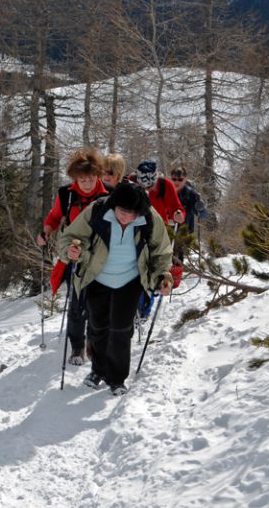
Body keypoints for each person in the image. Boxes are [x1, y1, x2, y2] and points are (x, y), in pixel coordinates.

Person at [57, 181, 174, 396]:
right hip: (97, 277)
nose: (125, 217)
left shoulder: (149, 217)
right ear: (114, 205)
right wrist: (71, 251)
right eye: (121, 211)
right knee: (97, 327)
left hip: (129, 281)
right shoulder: (98, 211)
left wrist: (162, 276)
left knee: (121, 330)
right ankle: (98, 370)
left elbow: (162, 251)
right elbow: (68, 237)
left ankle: (117, 378)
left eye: (131, 213)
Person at [36, 148, 109, 366]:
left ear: (97, 176)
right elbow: (55, 216)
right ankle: (77, 347)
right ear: (75, 178)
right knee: (77, 304)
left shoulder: (107, 196)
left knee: (96, 305)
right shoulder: (66, 194)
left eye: (91, 179)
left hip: (99, 257)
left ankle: (93, 345)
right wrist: (46, 232)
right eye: (83, 179)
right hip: (74, 256)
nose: (87, 183)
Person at [129, 158, 185, 229]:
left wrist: (179, 214)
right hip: (135, 228)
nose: (147, 190)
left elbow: (176, 207)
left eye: (150, 186)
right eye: (143, 187)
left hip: (159, 228)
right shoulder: (130, 183)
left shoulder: (165, 185)